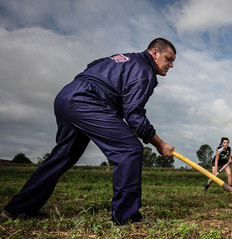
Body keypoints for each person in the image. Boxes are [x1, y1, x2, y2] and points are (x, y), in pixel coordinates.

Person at [1, 38, 177, 225]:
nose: (171, 65)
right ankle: (126, 218)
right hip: (87, 100)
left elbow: (94, 68)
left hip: (67, 96)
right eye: (169, 59)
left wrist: (122, 125)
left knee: (63, 155)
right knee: (129, 150)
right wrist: (160, 144)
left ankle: (18, 210)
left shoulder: (127, 59)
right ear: (154, 53)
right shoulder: (144, 71)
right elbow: (134, 114)